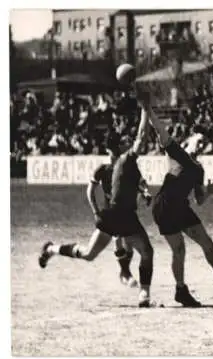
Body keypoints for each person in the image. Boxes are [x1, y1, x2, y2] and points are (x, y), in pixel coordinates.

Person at [38, 79, 156, 308]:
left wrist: (98, 211)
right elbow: (142, 137)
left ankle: (52, 249)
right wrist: (145, 109)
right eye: (124, 141)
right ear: (118, 148)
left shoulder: (122, 164)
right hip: (123, 216)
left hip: (108, 216)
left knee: (89, 254)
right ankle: (143, 293)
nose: (127, 142)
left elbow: (128, 182)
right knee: (147, 252)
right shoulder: (126, 160)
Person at [146, 109, 213, 308]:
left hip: (182, 207)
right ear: (188, 141)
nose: (201, 144)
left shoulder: (199, 168)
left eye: (203, 143)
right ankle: (181, 291)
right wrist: (148, 110)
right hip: (164, 206)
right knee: (179, 249)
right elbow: (160, 130)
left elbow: (199, 200)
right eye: (198, 140)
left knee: (207, 242)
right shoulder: (176, 152)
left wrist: (210, 191)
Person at [87, 137, 153, 288]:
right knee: (119, 241)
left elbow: (141, 183)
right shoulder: (103, 169)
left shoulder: (128, 166)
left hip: (126, 211)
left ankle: (126, 273)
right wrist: (95, 212)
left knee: (127, 243)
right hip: (110, 211)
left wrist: (146, 193)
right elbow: (90, 190)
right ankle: (125, 273)